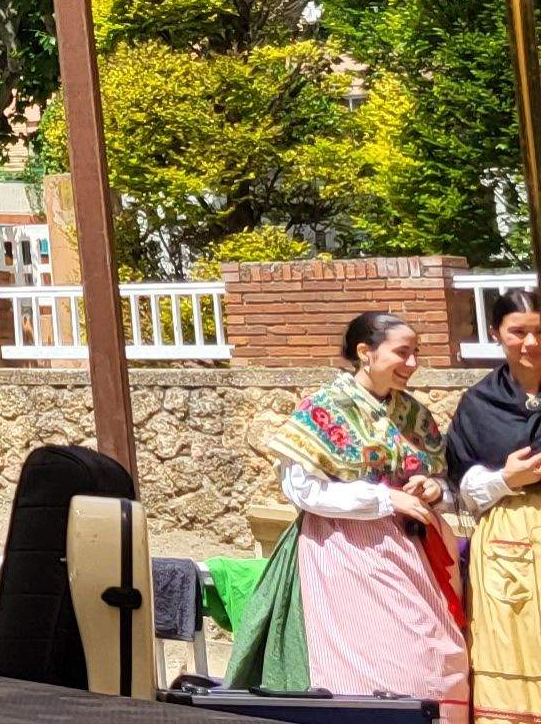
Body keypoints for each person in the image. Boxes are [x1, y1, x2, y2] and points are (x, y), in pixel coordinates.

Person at [227, 310, 469, 709]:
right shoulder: (325, 408)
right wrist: (384, 499)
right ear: (365, 352)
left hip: (412, 551)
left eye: (416, 353)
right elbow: (301, 488)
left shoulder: (412, 414)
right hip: (342, 549)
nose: (412, 364)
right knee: (380, 665)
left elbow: (443, 480)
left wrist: (432, 488)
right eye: (402, 353)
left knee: (438, 661)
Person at [451, 288, 541, 721]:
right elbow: (462, 483)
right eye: (518, 332)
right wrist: (507, 479)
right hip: (505, 545)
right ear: (496, 334)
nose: (531, 343)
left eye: (540, 331)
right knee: (509, 643)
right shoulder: (478, 403)